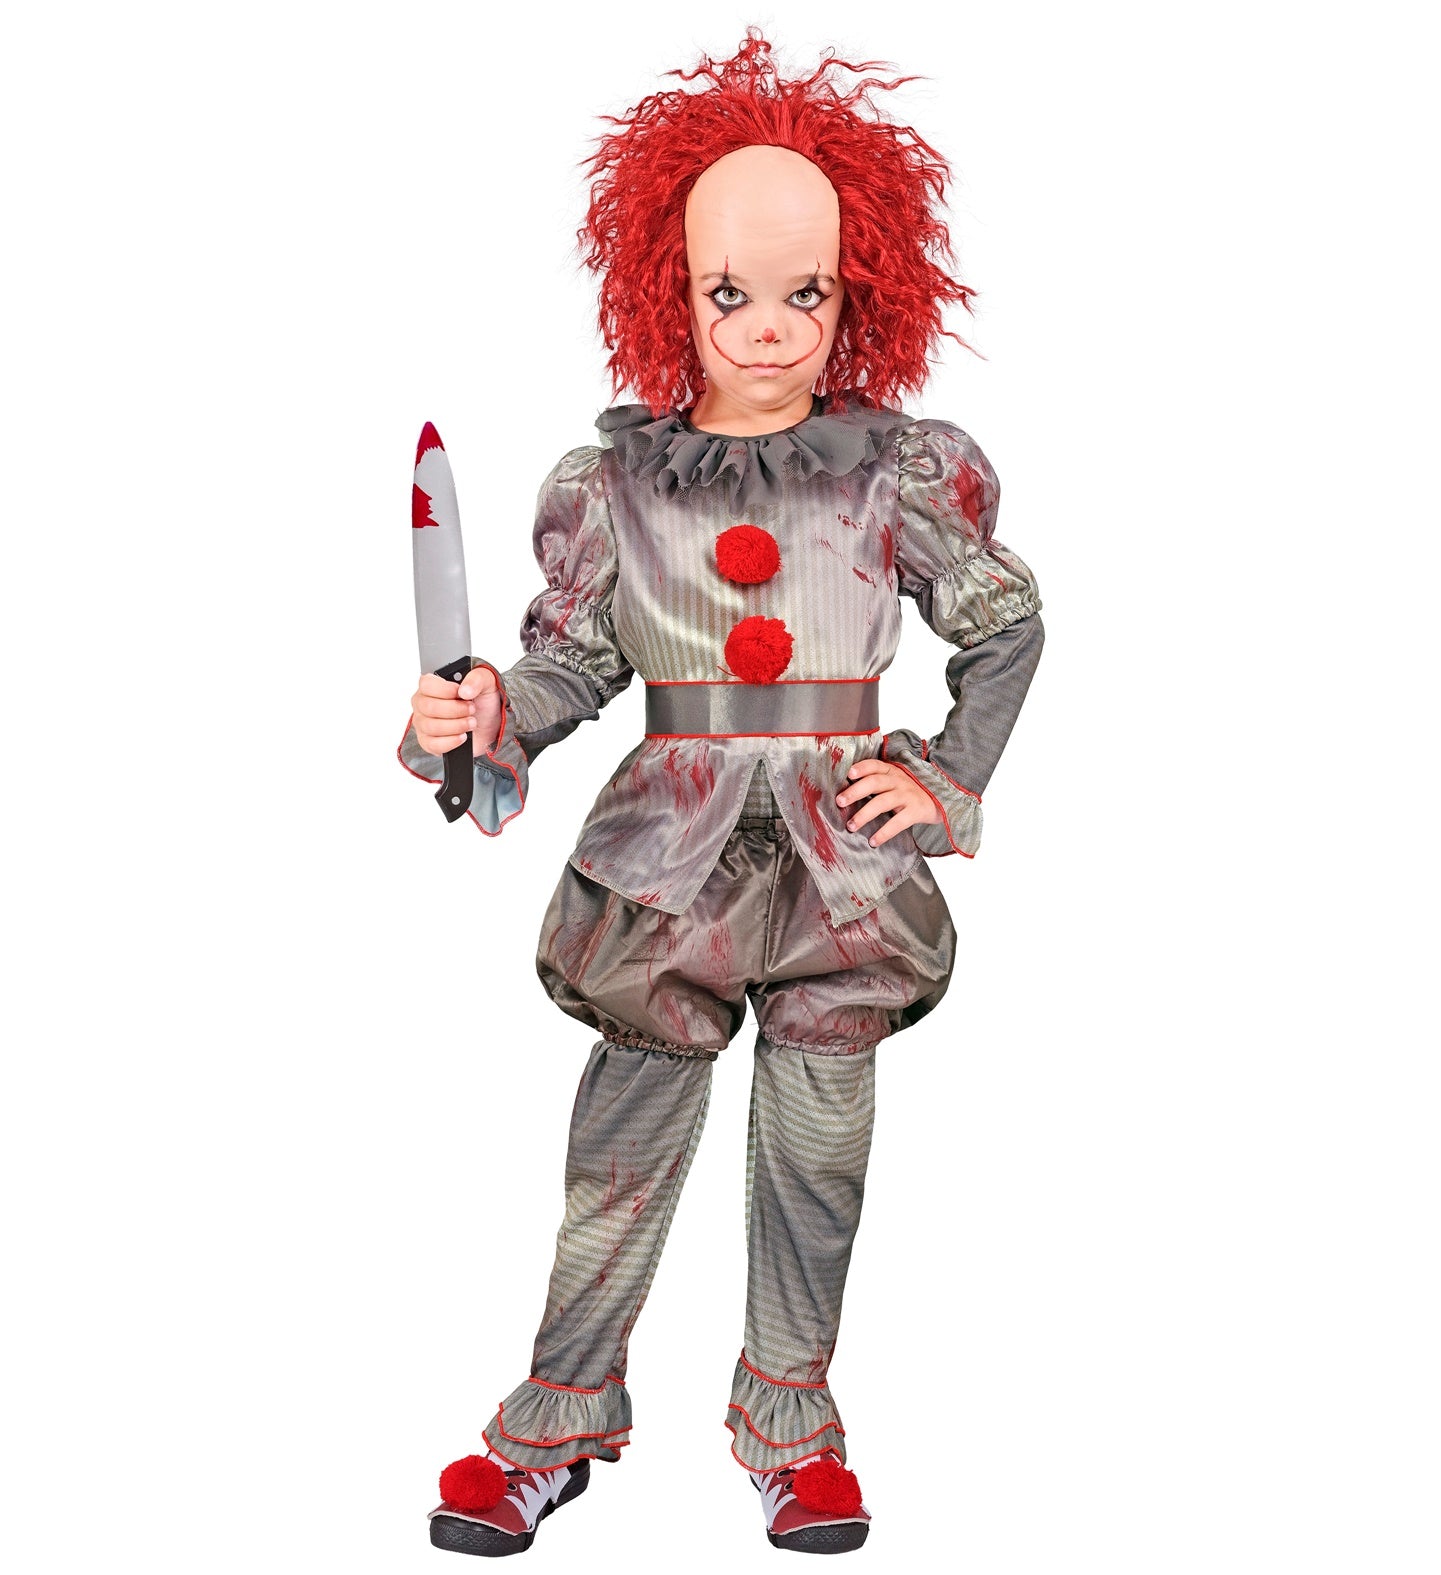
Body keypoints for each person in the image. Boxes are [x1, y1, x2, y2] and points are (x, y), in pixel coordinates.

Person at [399, 31, 1044, 1557]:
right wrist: (481, 715)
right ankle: (557, 1415)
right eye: (726, 293)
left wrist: (944, 779)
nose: (765, 328)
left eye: (803, 294)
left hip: (843, 867)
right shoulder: (617, 489)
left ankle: (790, 1422)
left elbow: (1004, 627)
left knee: (817, 1156)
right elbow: (571, 667)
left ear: (857, 293)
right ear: (667, 295)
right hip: (663, 866)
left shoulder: (893, 473)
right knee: (618, 1154)